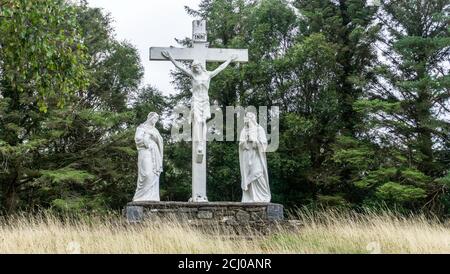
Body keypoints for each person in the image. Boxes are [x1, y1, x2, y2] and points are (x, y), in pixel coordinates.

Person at [162, 51, 237, 162]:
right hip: (196, 101)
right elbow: (181, 67)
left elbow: (221, 68)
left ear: (200, 67)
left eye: (196, 67)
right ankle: (199, 142)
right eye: (193, 68)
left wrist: (229, 60)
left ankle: (202, 141)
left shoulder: (208, 74)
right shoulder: (193, 75)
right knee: (197, 120)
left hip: (204, 101)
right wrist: (171, 57)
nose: (195, 69)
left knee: (202, 122)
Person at [239, 112, 271, 203]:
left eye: (249, 118)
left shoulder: (259, 129)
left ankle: (263, 196)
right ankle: (250, 198)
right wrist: (246, 141)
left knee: (258, 173)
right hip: (247, 155)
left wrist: (255, 141)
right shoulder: (244, 130)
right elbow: (240, 144)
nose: (247, 121)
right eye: (246, 119)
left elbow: (264, 144)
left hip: (256, 155)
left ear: (253, 119)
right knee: (249, 174)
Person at [133, 112, 164, 202]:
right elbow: (138, 139)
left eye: (156, 120)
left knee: (154, 174)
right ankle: (140, 196)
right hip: (145, 151)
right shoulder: (141, 127)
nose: (155, 121)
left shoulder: (155, 130)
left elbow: (160, 140)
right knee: (147, 174)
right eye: (154, 119)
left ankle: (152, 197)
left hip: (155, 152)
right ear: (150, 118)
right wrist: (147, 136)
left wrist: (155, 135)